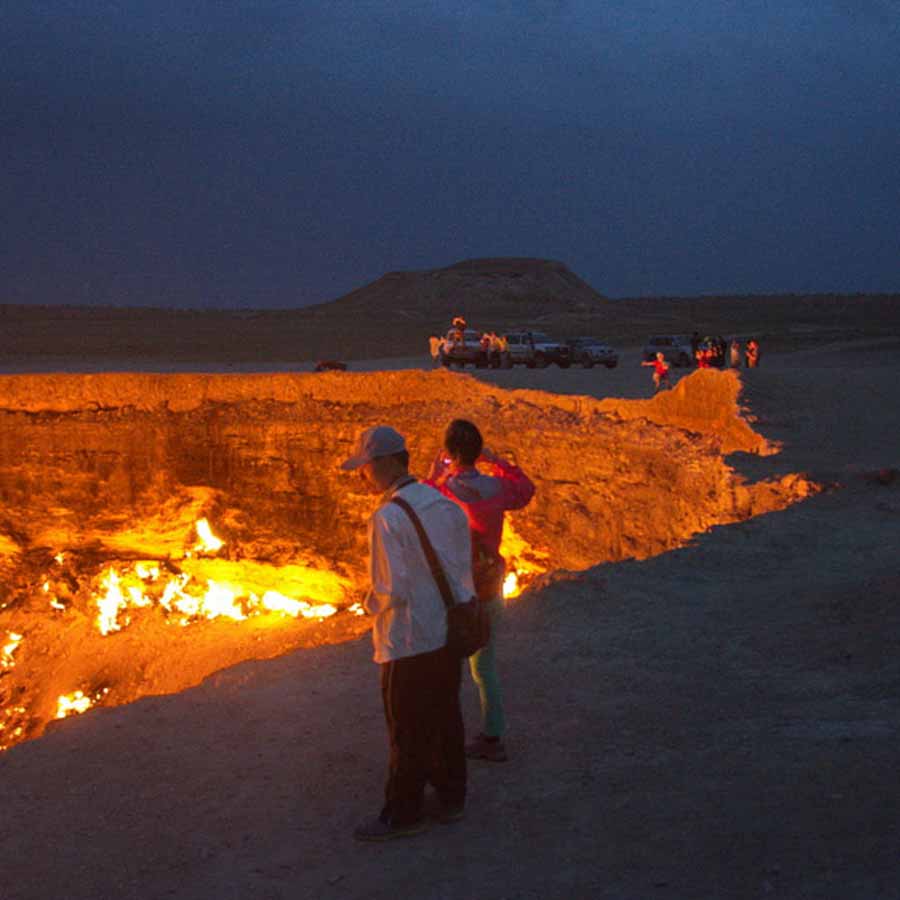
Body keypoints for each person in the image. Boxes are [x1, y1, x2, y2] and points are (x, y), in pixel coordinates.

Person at [341, 425, 473, 841]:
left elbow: (389, 589)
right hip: (447, 633)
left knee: (407, 729)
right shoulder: (444, 504)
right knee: (446, 716)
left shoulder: (388, 517)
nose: (362, 475)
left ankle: (403, 813)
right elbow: (460, 568)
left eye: (364, 467)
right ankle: (452, 798)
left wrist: (367, 606)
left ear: (383, 463)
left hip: (409, 639)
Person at [427, 420, 535, 762]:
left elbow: (424, 502)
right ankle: (492, 735)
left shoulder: (442, 492)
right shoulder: (497, 487)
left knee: (445, 666)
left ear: (448, 452)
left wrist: (435, 472)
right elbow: (526, 489)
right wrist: (498, 461)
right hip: (489, 585)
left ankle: (445, 736)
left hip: (453, 591)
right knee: (484, 667)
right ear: (478, 451)